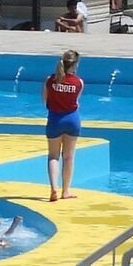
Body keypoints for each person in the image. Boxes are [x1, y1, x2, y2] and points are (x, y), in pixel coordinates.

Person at [44, 49, 83, 201]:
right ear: (75, 64)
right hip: (72, 119)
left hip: (55, 119)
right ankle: (65, 191)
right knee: (68, 157)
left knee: (53, 156)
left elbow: (44, 99)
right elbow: (76, 102)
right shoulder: (79, 82)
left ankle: (54, 188)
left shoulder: (50, 80)